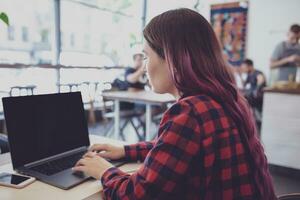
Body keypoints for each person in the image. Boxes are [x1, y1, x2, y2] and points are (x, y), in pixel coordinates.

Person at [73, 8, 276, 199]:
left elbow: (137, 194)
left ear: (172, 59)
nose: (144, 67)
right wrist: (126, 151)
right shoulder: (224, 99)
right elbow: (175, 146)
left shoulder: (190, 112)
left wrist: (104, 171)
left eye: (146, 56)